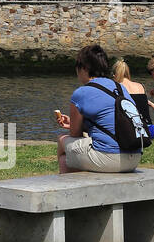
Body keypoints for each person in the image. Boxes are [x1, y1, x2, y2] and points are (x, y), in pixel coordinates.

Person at [55, 43, 142, 174]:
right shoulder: (120, 88)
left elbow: (75, 135)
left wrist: (74, 125)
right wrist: (83, 125)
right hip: (134, 156)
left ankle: (70, 191)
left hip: (109, 158)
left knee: (62, 142)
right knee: (74, 152)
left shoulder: (81, 93)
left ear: (83, 68)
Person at [112, 58, 151, 129]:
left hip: (131, 129)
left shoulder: (116, 87)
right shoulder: (141, 86)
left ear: (114, 75)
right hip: (148, 127)